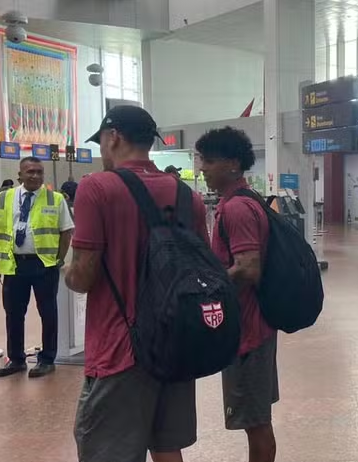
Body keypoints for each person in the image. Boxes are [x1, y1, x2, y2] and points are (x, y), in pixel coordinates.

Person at [67, 106, 208, 462]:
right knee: (166, 447)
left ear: (114, 136)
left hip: (121, 349)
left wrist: (65, 271)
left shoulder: (96, 188)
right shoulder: (188, 197)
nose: (102, 149)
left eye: (101, 141)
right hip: (177, 341)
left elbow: (83, 277)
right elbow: (205, 268)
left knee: (105, 450)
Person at [197, 127, 278, 462]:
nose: (202, 168)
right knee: (255, 419)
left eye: (209, 161)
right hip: (251, 327)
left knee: (256, 423)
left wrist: (207, 289)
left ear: (232, 164)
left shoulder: (237, 208)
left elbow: (247, 269)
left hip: (248, 332)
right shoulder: (243, 200)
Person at [0, 157, 73, 379]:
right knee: (13, 313)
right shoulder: (3, 198)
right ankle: (16, 359)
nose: (35, 175)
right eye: (30, 171)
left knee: (48, 312)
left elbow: (66, 231)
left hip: (44, 264)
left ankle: (47, 359)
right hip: (13, 264)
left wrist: (59, 259)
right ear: (20, 175)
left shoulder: (55, 199)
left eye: (39, 172)